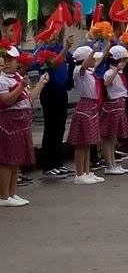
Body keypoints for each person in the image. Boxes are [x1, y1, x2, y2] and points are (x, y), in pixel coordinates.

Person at [0, 43, 48, 206]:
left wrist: (40, 84)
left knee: (16, 160)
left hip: (22, 120)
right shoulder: (2, 79)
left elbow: (29, 99)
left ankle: (12, 193)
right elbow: (6, 100)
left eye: (13, 60)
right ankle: (4, 196)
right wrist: (21, 87)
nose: (14, 63)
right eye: (10, 60)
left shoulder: (18, 77)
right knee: (7, 160)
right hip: (9, 121)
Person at [32, 28, 75, 180]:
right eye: (51, 31)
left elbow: (70, 62)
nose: (55, 34)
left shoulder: (58, 48)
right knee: (51, 128)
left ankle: (58, 163)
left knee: (60, 128)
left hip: (61, 91)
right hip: (49, 92)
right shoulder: (41, 52)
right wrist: (65, 49)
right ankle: (48, 165)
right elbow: (53, 65)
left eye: (56, 31)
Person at [67, 45, 104, 185]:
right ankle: (79, 173)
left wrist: (106, 46)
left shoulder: (91, 71)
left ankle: (87, 171)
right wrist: (93, 51)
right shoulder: (79, 71)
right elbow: (82, 66)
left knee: (88, 142)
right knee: (82, 143)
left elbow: (100, 60)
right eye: (92, 57)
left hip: (92, 106)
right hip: (85, 106)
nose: (94, 60)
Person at [100, 45, 128, 175]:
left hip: (120, 104)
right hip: (112, 105)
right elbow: (107, 84)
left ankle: (113, 163)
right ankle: (109, 165)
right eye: (122, 60)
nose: (124, 62)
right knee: (108, 137)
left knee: (113, 138)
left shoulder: (121, 73)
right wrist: (116, 70)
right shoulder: (109, 72)